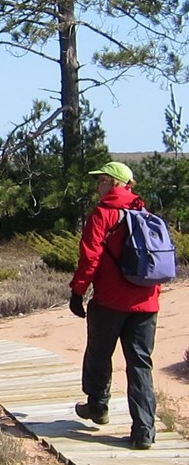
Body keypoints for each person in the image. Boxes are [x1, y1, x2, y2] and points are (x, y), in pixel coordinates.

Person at [69, 161, 159, 450]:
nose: (98, 186)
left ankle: (97, 406)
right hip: (146, 303)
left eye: (101, 180)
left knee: (98, 351)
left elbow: (90, 257)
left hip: (109, 301)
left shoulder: (103, 214)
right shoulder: (144, 212)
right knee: (140, 366)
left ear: (113, 182)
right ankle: (144, 430)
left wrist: (77, 291)